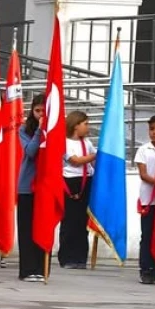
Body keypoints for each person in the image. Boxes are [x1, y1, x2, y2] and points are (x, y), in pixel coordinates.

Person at [59, 111, 97, 268]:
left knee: (82, 222)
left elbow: (92, 162)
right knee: (69, 221)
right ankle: (67, 256)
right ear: (76, 125)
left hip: (86, 181)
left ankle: (80, 257)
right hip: (71, 182)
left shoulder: (86, 143)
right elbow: (75, 161)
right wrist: (96, 155)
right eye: (85, 124)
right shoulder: (65, 142)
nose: (87, 127)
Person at [16, 94, 47, 282]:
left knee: (43, 227)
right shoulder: (24, 129)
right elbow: (30, 151)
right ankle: (27, 269)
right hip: (28, 186)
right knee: (27, 229)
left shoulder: (56, 129)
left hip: (46, 186)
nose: (40, 114)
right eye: (37, 111)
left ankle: (41, 267)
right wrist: (40, 130)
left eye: (44, 111)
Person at [135, 115, 155, 285]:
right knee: (147, 235)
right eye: (152, 129)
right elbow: (143, 174)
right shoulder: (144, 149)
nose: (154, 132)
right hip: (149, 200)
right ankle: (146, 269)